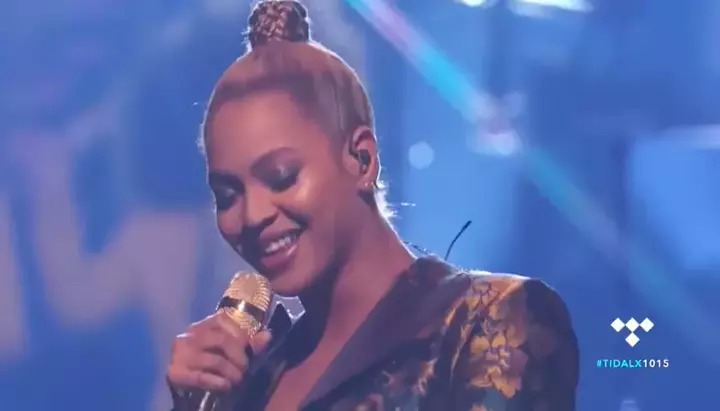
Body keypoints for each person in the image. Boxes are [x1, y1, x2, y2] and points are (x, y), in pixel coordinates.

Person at [166, 1, 579, 410]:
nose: (253, 215)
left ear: (361, 159)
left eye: (281, 177)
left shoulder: (485, 322)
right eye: (228, 196)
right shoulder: (256, 378)